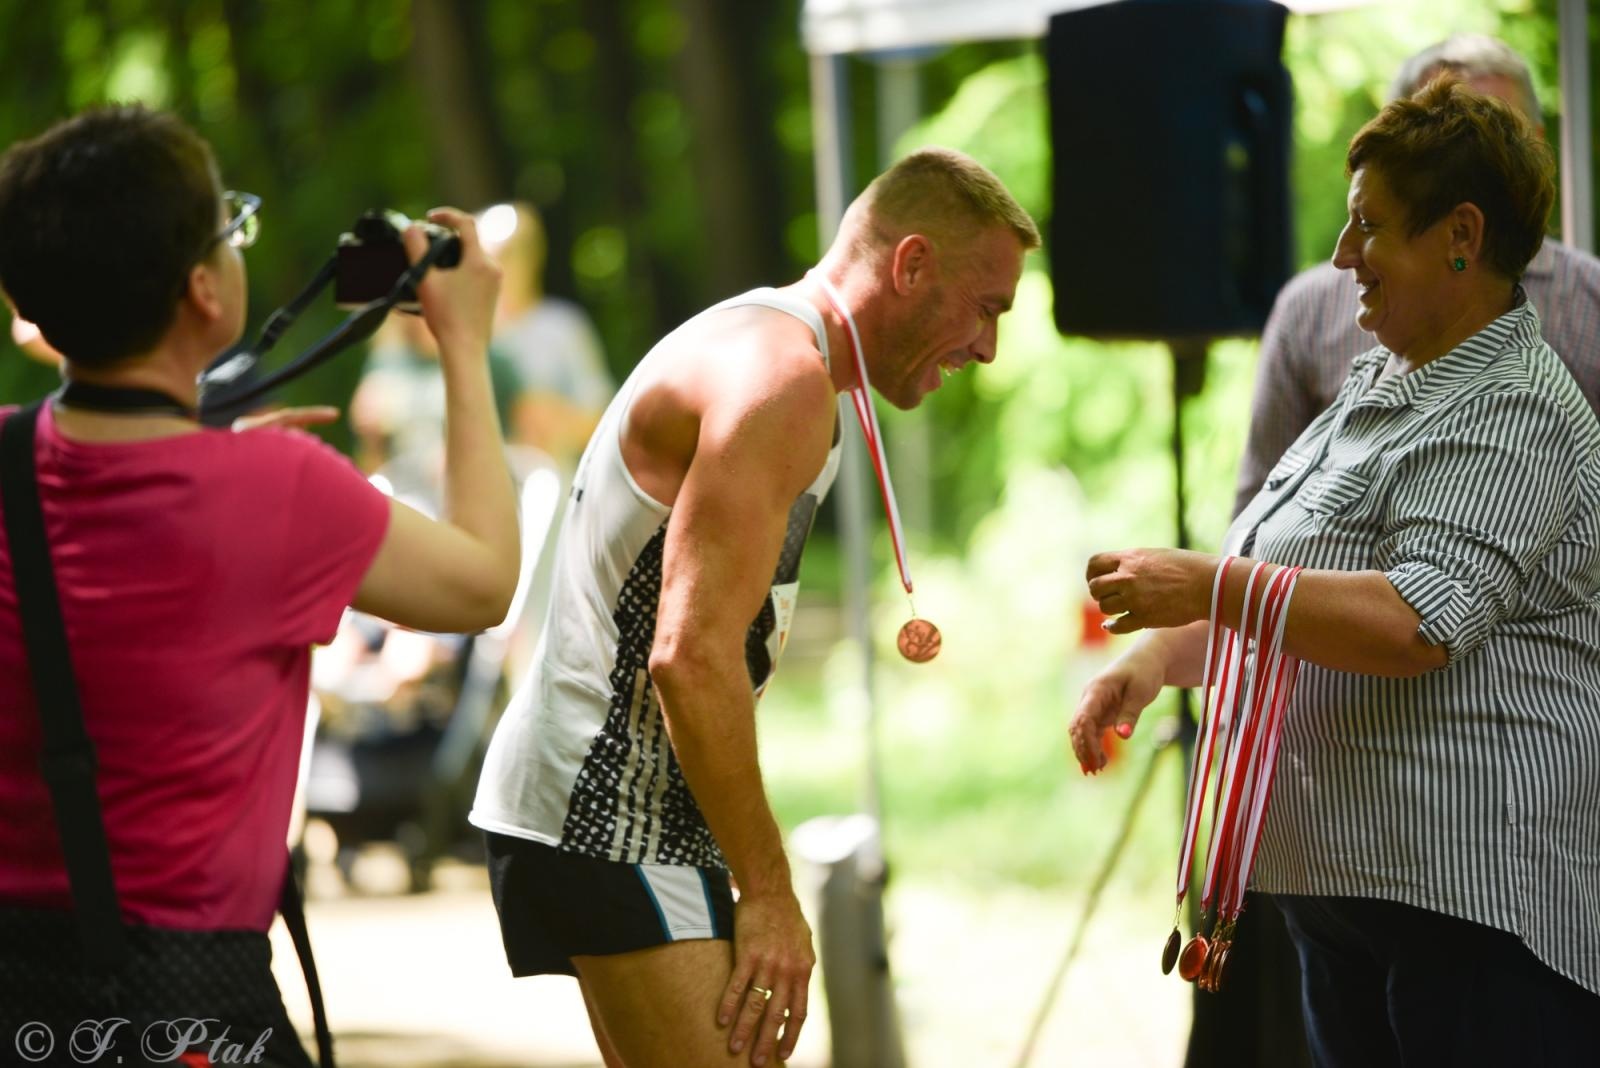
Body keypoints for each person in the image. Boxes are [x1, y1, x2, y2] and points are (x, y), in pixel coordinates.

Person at [1071, 79, 1600, 1067]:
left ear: (1462, 235)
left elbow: (1415, 623)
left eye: (1371, 225)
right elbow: (1285, 596)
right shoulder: (1382, 381)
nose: (1341, 255)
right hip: (1350, 895)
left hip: (1472, 909)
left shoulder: (1515, 409)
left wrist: (1211, 585)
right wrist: (1149, 665)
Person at [470, 147, 1037, 1068]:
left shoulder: (778, 347)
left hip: (607, 803)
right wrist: (769, 892)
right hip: (612, 811)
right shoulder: (782, 380)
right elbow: (690, 658)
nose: (988, 346)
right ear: (911, 264)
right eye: (987, 308)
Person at [0, 105, 519, 1066]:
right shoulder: (282, 491)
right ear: (203, 289)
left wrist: (219, 466)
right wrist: (464, 345)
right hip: (187, 1010)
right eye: (229, 230)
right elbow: (483, 583)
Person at [1235, 34, 1600, 514]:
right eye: (1439, 145)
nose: (1344, 256)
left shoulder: (1557, 348)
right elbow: (1260, 503)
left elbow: (1439, 565)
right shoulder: (1311, 313)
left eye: (1497, 142)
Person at [477, 199, 615, 470]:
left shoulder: (563, 327)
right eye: (488, 254)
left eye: (512, 253)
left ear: (534, 257)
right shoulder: (458, 333)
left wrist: (555, 419)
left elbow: (606, 423)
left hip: (551, 481)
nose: (500, 265)